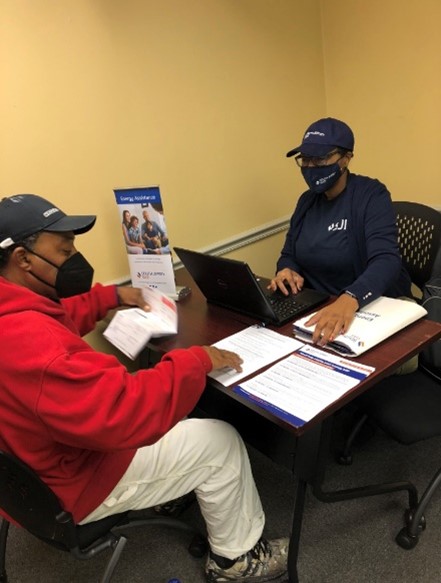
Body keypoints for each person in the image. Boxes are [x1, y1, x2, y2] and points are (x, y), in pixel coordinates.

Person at [0, 194, 288, 583]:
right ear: (23, 258)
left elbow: (56, 319)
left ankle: (174, 490)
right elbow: (125, 413)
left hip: (31, 467)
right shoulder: (36, 346)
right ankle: (235, 561)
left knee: (175, 406)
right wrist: (197, 360)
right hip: (77, 478)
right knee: (220, 440)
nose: (74, 257)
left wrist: (112, 296)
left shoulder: (14, 310)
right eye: (64, 250)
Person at [269, 117, 412, 348]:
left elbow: (386, 260)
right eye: (305, 159)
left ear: (345, 159)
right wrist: (287, 270)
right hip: (316, 309)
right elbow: (289, 253)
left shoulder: (371, 195)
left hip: (365, 308)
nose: (310, 167)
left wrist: (351, 298)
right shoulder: (307, 201)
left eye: (320, 158)